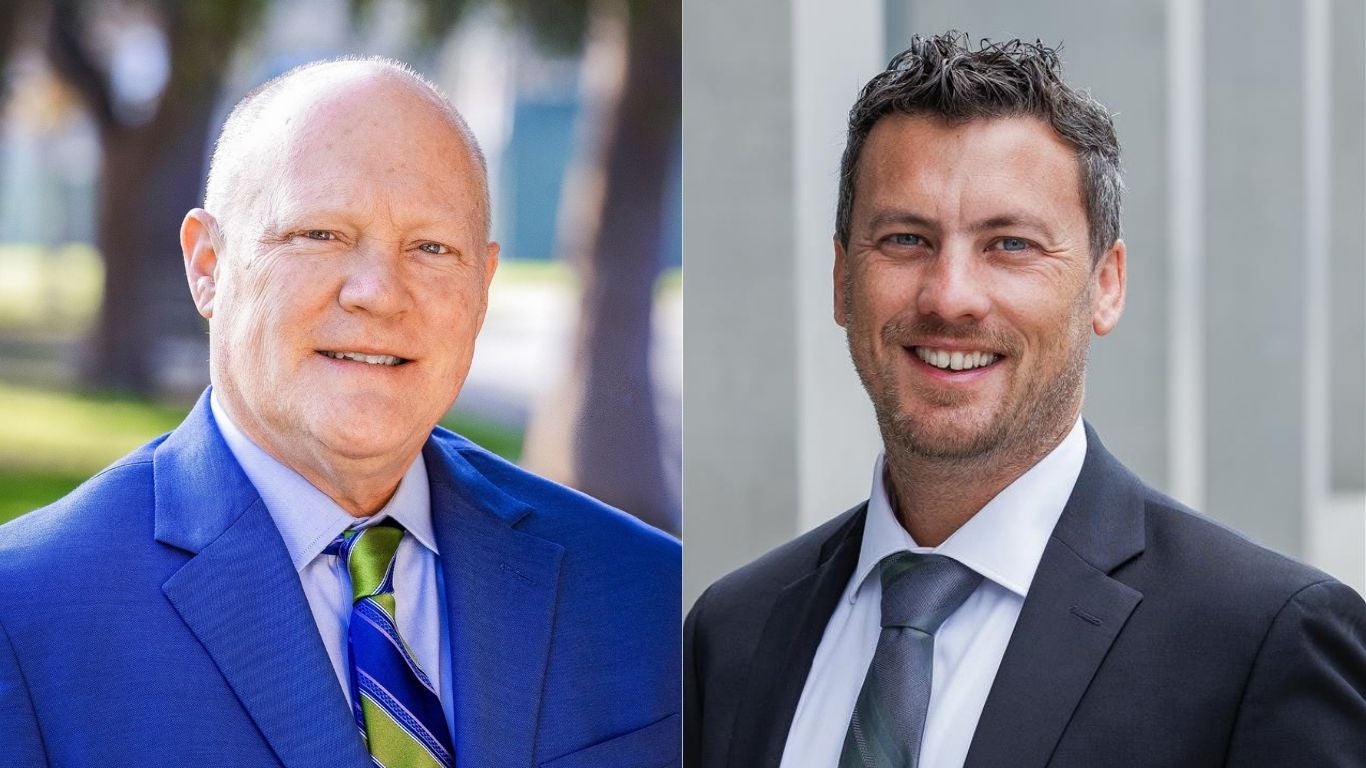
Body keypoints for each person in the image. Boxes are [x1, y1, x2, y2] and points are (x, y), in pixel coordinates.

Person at [684, 32, 1365, 768]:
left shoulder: (1262, 641)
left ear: (1106, 283)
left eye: (1009, 244)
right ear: (842, 280)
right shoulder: (731, 632)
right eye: (907, 239)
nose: (950, 296)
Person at [0, 58, 679, 767]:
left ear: (482, 286)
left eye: (431, 248)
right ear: (208, 264)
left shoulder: (647, 593)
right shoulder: (27, 616)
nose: (379, 293)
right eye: (319, 235)